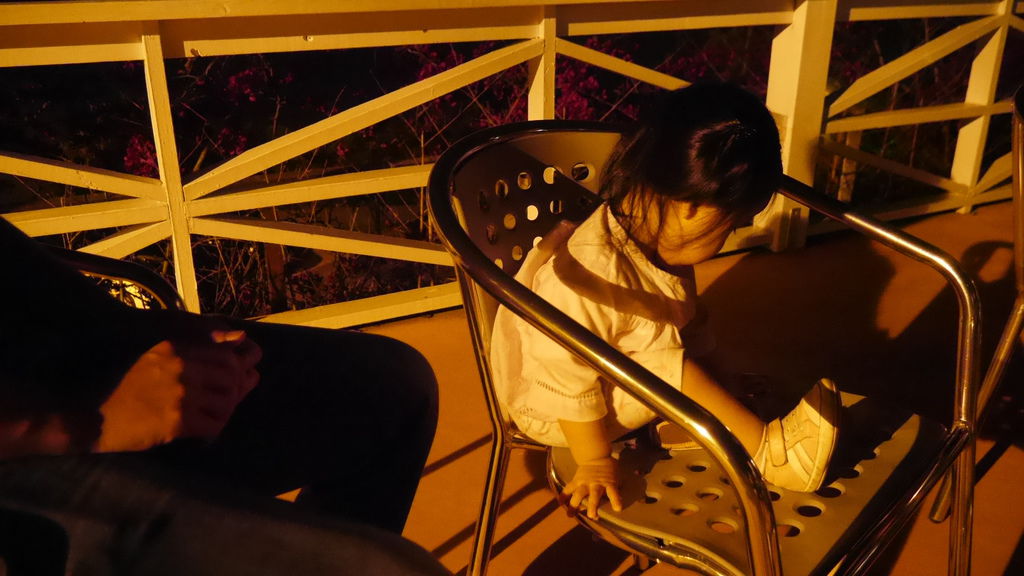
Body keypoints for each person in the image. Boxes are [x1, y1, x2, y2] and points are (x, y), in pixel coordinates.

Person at [0, 215, 447, 575]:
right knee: (386, 568)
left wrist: (145, 330)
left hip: (45, 363)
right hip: (28, 453)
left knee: (392, 387)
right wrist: (88, 423)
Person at [490, 82, 841, 520]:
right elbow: (563, 377)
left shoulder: (654, 238)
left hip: (604, 379)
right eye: (730, 226)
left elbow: (686, 323)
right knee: (663, 363)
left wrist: (721, 380)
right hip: (556, 411)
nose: (728, 237)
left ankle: (703, 425)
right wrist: (594, 460)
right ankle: (776, 458)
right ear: (692, 207)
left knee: (668, 355)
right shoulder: (586, 279)